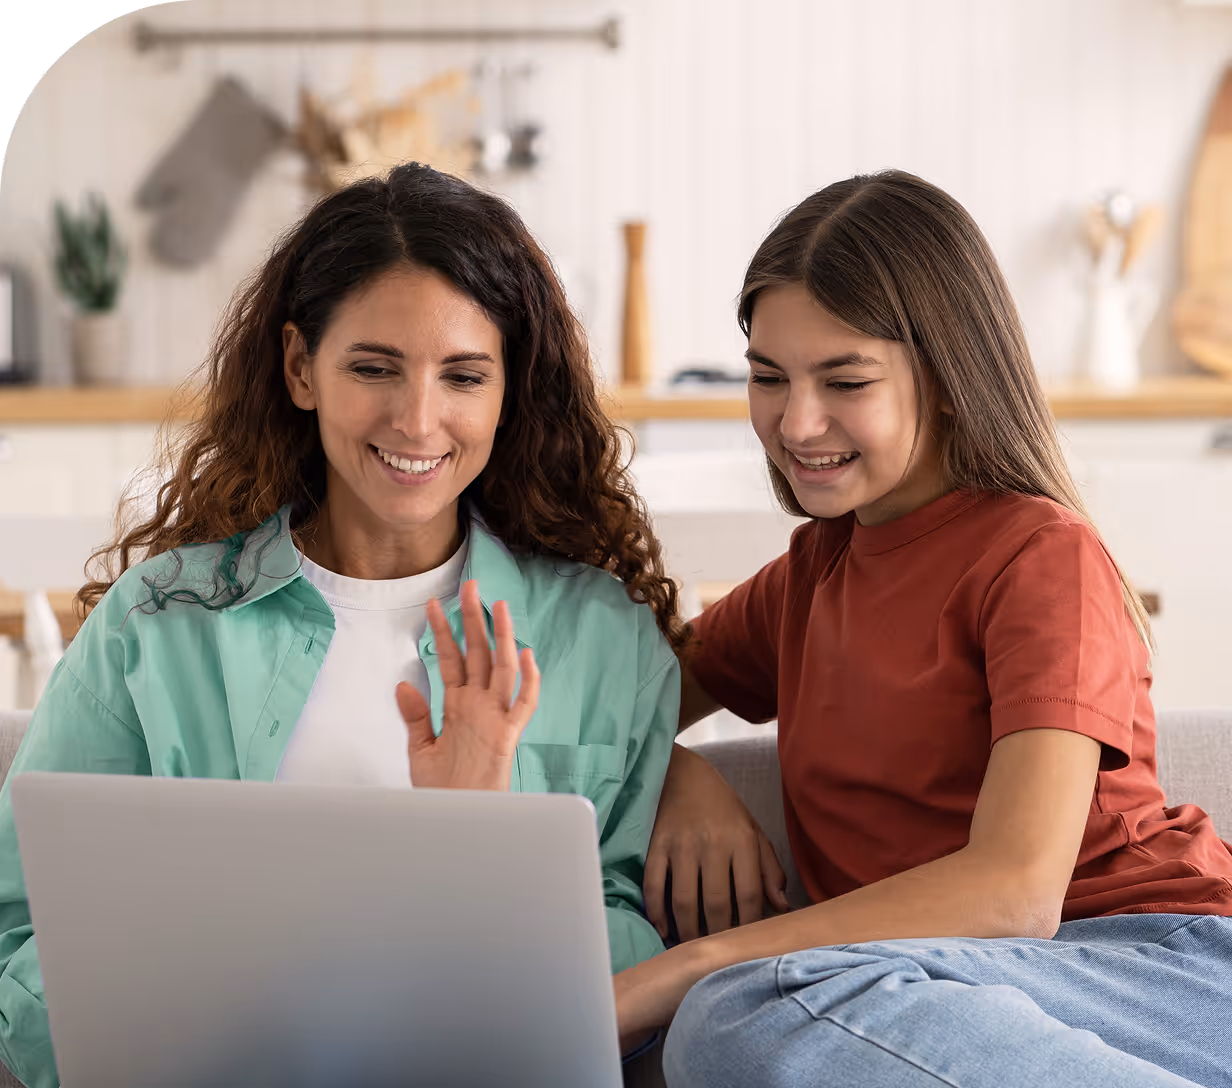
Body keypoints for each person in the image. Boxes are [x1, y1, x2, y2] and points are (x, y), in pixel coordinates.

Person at [0, 162, 687, 1088]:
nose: (417, 418)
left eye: (464, 375)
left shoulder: (602, 638)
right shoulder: (158, 622)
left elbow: (625, 974)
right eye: (374, 367)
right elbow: (25, 925)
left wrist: (478, 850)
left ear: (508, 389)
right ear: (299, 368)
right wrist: (210, 966)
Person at [621, 170, 1232, 1087]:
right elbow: (608, 709)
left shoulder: (1040, 557)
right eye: (767, 377)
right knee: (742, 1020)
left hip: (1151, 963)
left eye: (845, 380)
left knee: (736, 1013)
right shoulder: (810, 575)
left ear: (947, 379)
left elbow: (1015, 893)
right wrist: (678, 770)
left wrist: (697, 961)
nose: (797, 421)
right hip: (935, 988)